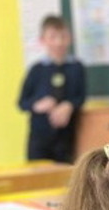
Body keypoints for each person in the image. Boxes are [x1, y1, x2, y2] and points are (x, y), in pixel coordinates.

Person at [19, 15, 87, 164]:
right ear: (43, 40)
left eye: (63, 37)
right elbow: (21, 102)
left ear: (69, 38)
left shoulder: (77, 67)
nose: (58, 42)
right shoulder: (36, 70)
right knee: (38, 173)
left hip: (66, 138)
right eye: (53, 37)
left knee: (65, 172)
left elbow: (81, 97)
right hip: (39, 138)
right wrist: (37, 105)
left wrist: (69, 105)